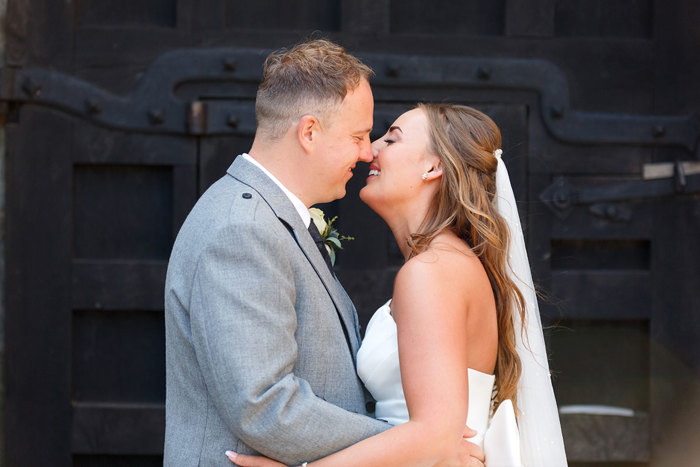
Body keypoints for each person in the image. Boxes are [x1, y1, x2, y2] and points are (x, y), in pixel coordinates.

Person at [164, 40, 483, 466]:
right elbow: (264, 405)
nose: (369, 151)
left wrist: (425, 438)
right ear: (309, 132)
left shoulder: (267, 219)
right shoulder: (241, 229)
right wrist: (418, 442)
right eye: (358, 135)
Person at [227, 104, 569, 466]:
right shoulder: (449, 264)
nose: (370, 149)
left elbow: (437, 435)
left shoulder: (432, 270)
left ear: (433, 167)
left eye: (391, 139)